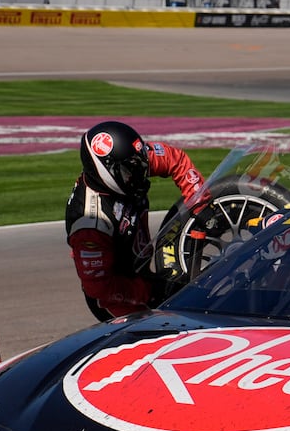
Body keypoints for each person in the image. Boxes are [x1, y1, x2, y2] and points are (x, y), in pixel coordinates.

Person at [66, 120, 206, 321]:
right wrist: (149, 291)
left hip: (140, 265)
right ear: (107, 172)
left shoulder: (129, 162)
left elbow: (175, 159)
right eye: (131, 169)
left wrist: (198, 199)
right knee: (168, 329)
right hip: (117, 297)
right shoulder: (90, 224)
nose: (141, 173)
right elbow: (100, 288)